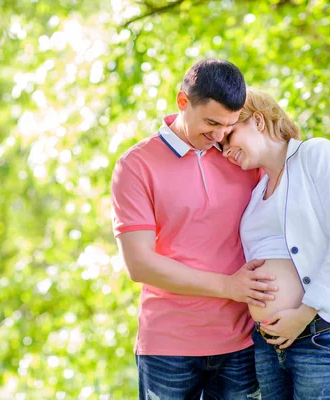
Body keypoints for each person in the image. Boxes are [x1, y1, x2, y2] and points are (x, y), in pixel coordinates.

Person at [111, 60, 277, 399]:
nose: (218, 136)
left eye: (228, 125)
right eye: (211, 122)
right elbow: (139, 264)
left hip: (242, 342)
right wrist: (229, 286)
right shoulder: (136, 165)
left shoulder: (241, 157)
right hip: (168, 345)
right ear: (183, 102)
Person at [221, 88, 330, 399]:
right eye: (220, 145)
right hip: (270, 345)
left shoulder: (316, 154)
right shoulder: (256, 193)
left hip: (322, 333)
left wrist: (304, 312)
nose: (225, 148)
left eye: (230, 135)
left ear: (257, 120)